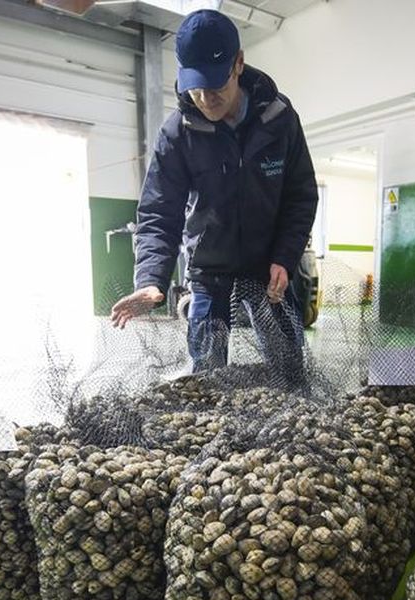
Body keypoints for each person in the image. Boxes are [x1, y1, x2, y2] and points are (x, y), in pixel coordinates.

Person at [109, 8, 317, 378]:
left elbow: (300, 195)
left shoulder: (279, 119)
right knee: (207, 377)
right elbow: (159, 213)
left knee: (288, 368)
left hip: (268, 268)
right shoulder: (177, 133)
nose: (205, 99)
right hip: (208, 271)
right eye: (196, 87)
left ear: (238, 63)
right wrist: (151, 281)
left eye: (216, 86)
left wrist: (284, 257)